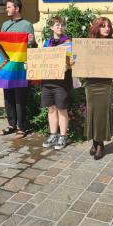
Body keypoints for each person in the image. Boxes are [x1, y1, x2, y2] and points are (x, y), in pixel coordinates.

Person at [83, 17, 113, 160]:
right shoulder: (88, 44)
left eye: (108, 26)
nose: (107, 28)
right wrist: (75, 61)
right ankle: (94, 141)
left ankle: (100, 144)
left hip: (105, 84)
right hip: (91, 83)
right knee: (92, 112)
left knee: (101, 114)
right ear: (97, 28)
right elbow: (82, 61)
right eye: (103, 26)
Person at [0, 0, 36, 138]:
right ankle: (11, 124)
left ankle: (22, 126)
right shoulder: (5, 25)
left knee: (20, 97)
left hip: (20, 67)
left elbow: (31, 47)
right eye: (6, 7)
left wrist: (32, 42)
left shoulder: (27, 25)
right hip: (7, 66)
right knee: (8, 96)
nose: (6, 9)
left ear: (17, 8)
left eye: (9, 7)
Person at [41, 16, 73, 150]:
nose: (59, 27)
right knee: (51, 109)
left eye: (61, 25)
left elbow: (73, 59)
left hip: (61, 83)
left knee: (62, 109)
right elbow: (40, 59)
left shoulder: (68, 42)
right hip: (47, 82)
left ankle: (63, 136)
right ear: (51, 27)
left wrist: (69, 65)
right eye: (57, 25)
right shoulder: (46, 43)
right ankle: (53, 135)